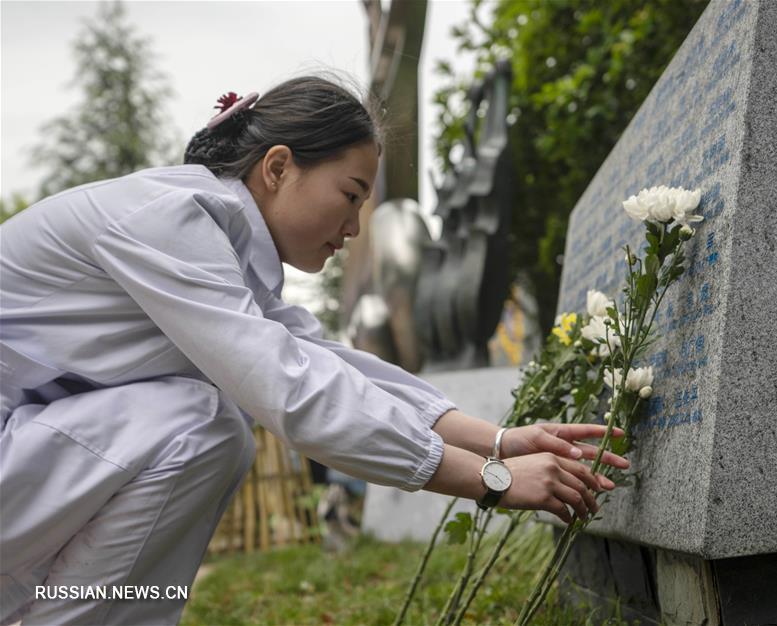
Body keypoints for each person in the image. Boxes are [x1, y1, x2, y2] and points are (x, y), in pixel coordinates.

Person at [0, 75, 629, 625]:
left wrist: (495, 441)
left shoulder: (222, 248)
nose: (355, 227)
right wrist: (491, 482)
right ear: (277, 168)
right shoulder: (169, 219)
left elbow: (323, 361)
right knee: (202, 422)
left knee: (209, 424)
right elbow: (290, 389)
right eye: (351, 194)